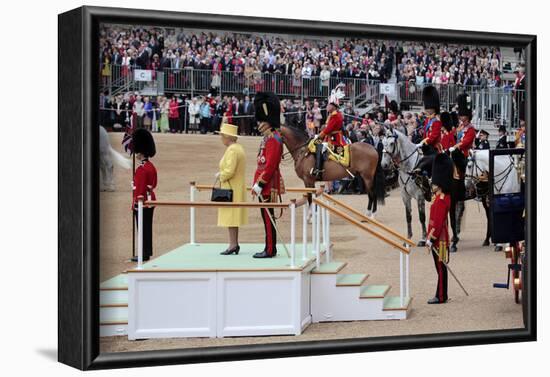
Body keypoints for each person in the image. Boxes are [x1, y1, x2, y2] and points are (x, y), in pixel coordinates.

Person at [251, 92, 285, 258]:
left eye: (262, 120)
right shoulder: (268, 137)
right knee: (266, 217)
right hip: (265, 183)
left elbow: (270, 166)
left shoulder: (274, 138)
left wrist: (260, 184)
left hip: (268, 184)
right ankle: (269, 247)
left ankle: (270, 249)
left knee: (268, 217)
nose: (260, 124)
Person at [425, 153, 453, 304]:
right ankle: (442, 293)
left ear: (440, 183)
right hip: (437, 239)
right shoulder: (439, 197)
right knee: (440, 268)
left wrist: (431, 238)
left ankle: (441, 296)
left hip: (440, 240)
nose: (432, 183)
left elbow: (438, 222)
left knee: (441, 269)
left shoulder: (442, 200)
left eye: (434, 182)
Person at [216, 123, 248, 255]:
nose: (221, 138)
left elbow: (229, 170)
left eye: (222, 135)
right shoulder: (238, 148)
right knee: (232, 218)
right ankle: (233, 244)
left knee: (231, 217)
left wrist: (220, 176)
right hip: (236, 186)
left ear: (227, 137)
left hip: (231, 187)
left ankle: (233, 244)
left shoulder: (232, 150)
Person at [132, 129, 158, 262]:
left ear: (140, 152)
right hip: (150, 199)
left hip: (142, 202)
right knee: (147, 228)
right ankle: (146, 251)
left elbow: (140, 189)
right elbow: (153, 184)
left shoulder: (142, 169)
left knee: (142, 228)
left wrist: (136, 203)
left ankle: (143, 253)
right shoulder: (150, 166)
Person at [312, 83, 346, 179]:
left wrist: (319, 136)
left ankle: (318, 169)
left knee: (319, 146)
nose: (327, 106)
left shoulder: (335, 116)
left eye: (328, 104)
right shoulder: (333, 114)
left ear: (333, 106)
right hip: (330, 136)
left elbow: (328, 129)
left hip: (334, 139)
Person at [414, 86, 442, 177]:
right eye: (427, 108)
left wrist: (423, 142)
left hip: (434, 148)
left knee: (430, 158)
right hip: (426, 147)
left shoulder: (437, 121)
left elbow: (433, 136)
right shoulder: (427, 120)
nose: (427, 110)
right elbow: (426, 133)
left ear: (434, 108)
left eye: (429, 108)